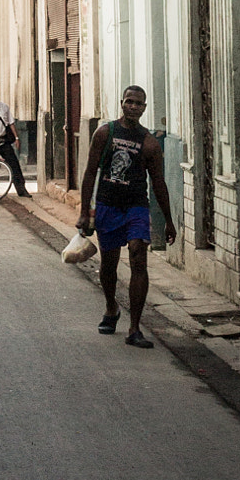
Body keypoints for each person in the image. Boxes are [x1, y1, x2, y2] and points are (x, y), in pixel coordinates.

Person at [78, 85, 176, 348]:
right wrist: (84, 211)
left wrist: (169, 219)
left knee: (137, 256)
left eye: (138, 103)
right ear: (122, 103)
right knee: (109, 265)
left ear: (145, 108)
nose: (133, 106)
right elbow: (90, 173)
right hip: (108, 205)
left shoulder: (150, 143)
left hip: (136, 207)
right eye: (129, 101)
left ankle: (134, 328)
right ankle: (111, 308)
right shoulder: (104, 133)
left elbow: (158, 183)